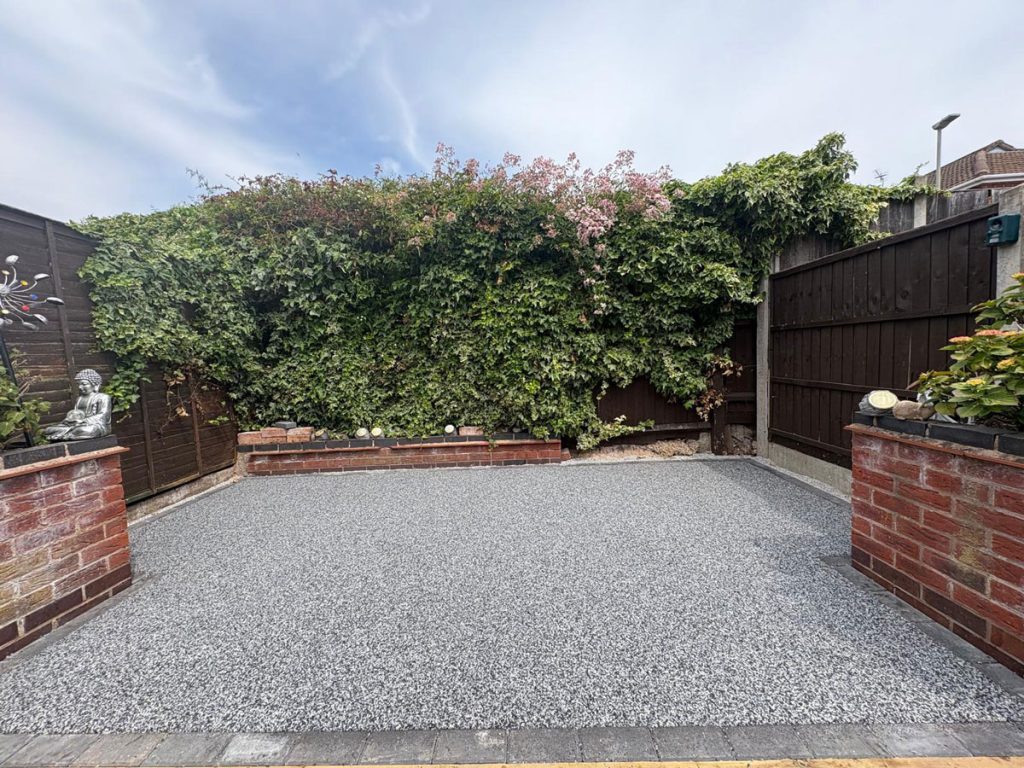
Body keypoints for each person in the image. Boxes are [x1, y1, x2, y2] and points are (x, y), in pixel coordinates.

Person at [44, 368, 112, 441]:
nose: (80, 387)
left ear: (95, 384)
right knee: (48, 430)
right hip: (77, 425)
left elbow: (104, 415)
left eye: (84, 384)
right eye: (79, 384)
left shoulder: (103, 397)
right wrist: (69, 420)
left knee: (87, 430)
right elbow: (76, 414)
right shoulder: (79, 399)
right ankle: (69, 433)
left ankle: (66, 434)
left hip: (96, 425)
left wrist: (84, 421)